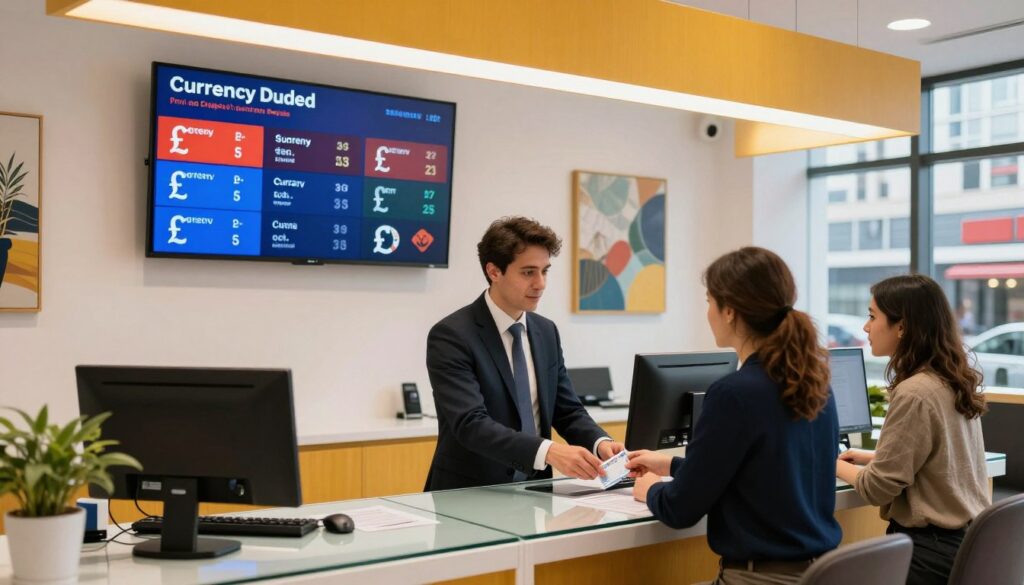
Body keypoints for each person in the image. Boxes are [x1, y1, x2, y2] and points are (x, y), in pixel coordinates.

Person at [626, 246, 841, 585]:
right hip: (815, 573)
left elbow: (681, 510)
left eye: (709, 301)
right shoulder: (815, 384)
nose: (707, 312)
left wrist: (651, 490)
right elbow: (759, 475)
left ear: (729, 311)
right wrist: (669, 465)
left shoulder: (734, 393)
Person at [424, 216, 624, 491]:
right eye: (528, 272)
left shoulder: (546, 332)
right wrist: (549, 451)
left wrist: (600, 443)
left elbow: (566, 410)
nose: (541, 284)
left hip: (537, 490)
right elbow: (471, 424)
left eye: (545, 271)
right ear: (494, 272)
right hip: (470, 491)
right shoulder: (452, 335)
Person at [836, 274, 989, 585]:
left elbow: (877, 488)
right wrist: (874, 456)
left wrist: (833, 464)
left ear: (902, 326)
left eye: (872, 316)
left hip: (927, 555)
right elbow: (943, 456)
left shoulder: (915, 392)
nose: (865, 327)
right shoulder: (949, 380)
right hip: (963, 547)